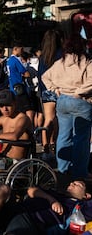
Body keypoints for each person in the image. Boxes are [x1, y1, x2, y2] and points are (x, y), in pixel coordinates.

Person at [42, 33, 92, 181]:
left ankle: (63, 170)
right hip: (80, 101)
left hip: (62, 100)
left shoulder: (60, 62)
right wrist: (79, 92)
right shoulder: (86, 62)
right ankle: (80, 172)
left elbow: (45, 76)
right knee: (81, 138)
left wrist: (55, 89)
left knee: (64, 136)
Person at [0, 180, 92, 235]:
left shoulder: (81, 206)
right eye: (72, 182)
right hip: (17, 210)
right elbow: (31, 190)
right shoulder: (55, 193)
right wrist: (51, 199)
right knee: (2, 188)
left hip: (31, 221)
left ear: (87, 195)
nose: (71, 184)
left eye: (77, 184)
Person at [38, 29, 64, 152]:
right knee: (57, 119)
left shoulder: (43, 56)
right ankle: (54, 142)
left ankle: (45, 143)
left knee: (48, 118)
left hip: (46, 90)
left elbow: (40, 75)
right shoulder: (61, 54)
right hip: (59, 88)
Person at [6, 41, 33, 115]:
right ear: (15, 49)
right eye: (21, 49)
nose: (22, 51)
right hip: (19, 87)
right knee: (29, 110)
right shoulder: (15, 60)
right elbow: (26, 74)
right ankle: (29, 125)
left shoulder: (8, 61)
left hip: (12, 87)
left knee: (18, 110)